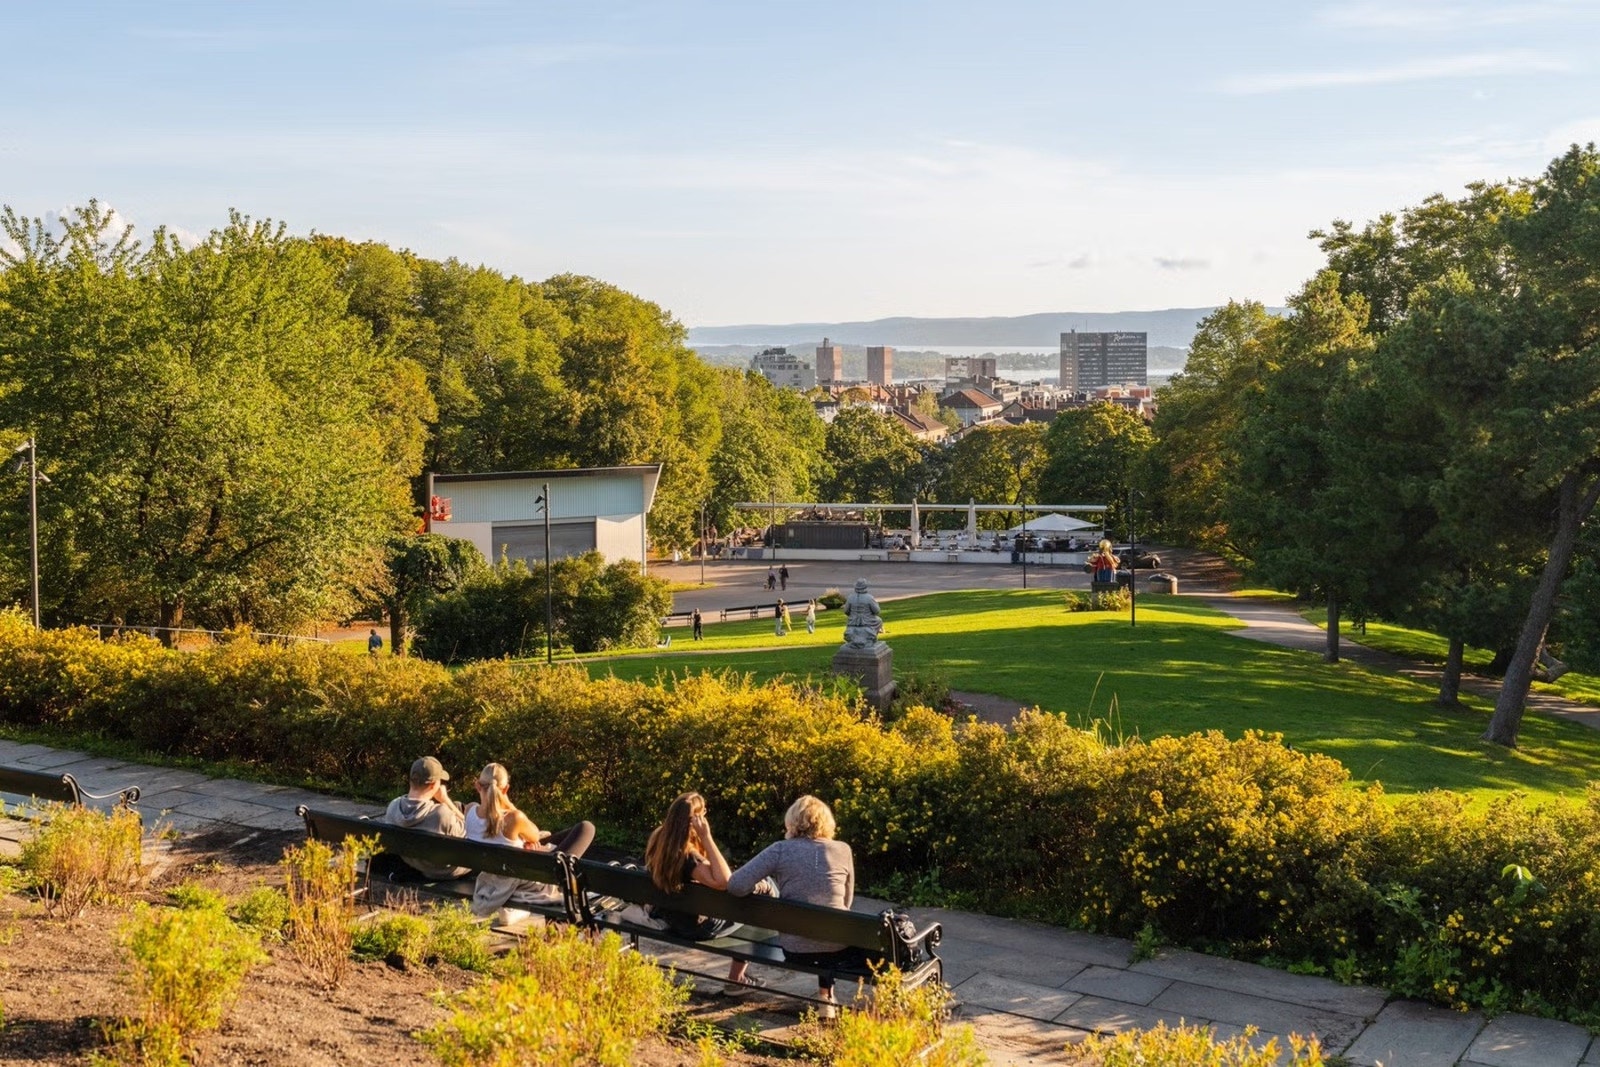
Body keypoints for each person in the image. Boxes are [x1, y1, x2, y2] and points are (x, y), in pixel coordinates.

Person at [728, 795, 865, 1018]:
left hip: (795, 951)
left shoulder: (780, 850)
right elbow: (846, 902)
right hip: (838, 950)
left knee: (809, 926)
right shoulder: (843, 849)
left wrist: (763, 885)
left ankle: (825, 998)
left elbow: (736, 885)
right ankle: (826, 998)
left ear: (792, 822)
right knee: (828, 922)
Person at [644, 792, 763, 995]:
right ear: (695, 820)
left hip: (670, 917)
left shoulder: (659, 839)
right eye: (704, 812)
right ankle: (737, 979)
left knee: (755, 888)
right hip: (695, 927)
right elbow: (726, 882)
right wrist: (706, 837)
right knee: (755, 902)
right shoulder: (689, 856)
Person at [463, 762, 594, 916]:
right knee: (586, 827)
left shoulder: (469, 810)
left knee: (553, 837)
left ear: (478, 786)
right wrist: (509, 804)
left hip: (495, 870)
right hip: (530, 873)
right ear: (505, 789)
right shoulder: (514, 818)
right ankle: (561, 878)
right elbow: (535, 834)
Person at [384, 756, 468, 879]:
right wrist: (446, 800)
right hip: (444, 870)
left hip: (414, 864)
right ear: (434, 785)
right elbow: (472, 832)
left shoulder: (393, 807)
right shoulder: (440, 814)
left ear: (411, 780)